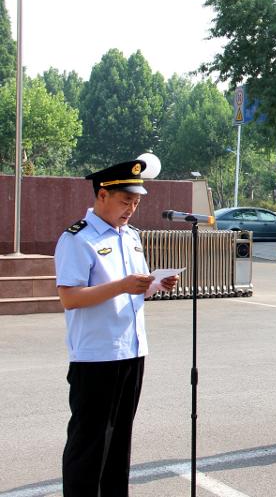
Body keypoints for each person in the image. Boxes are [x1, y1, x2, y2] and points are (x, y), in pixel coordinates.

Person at [55, 160, 178, 497]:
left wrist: (155, 284)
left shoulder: (132, 237)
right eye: (126, 201)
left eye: (136, 202)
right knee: (90, 443)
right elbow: (70, 297)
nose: (131, 209)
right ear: (103, 195)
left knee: (120, 438)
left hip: (132, 349)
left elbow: (133, 286)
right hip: (96, 356)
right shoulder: (78, 239)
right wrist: (123, 285)